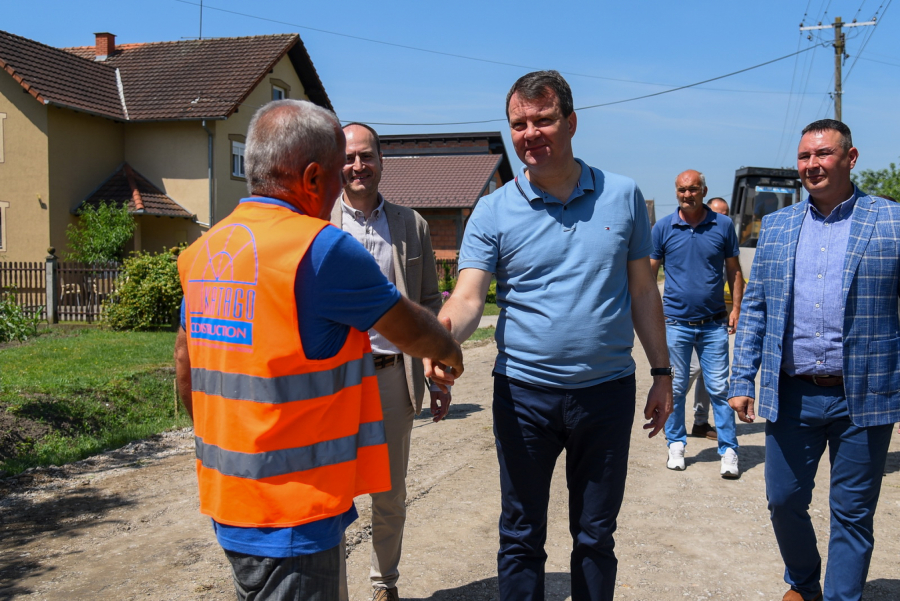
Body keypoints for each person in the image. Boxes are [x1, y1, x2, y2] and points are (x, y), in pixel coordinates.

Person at [173, 99, 463, 601]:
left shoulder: (205, 251)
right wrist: (451, 354)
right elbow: (408, 327)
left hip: (229, 499)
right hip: (294, 512)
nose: (338, 187)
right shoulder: (320, 248)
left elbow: (186, 369)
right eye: (334, 173)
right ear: (312, 178)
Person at [433, 70, 672, 601]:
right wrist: (440, 341)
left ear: (571, 122)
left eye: (542, 120)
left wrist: (662, 372)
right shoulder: (493, 209)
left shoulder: (623, 195)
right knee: (521, 533)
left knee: (596, 534)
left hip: (606, 393)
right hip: (523, 396)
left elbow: (642, 291)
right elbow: (468, 298)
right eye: (519, 124)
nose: (530, 134)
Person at [729, 119, 900, 601]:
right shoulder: (779, 225)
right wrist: (742, 378)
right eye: (804, 156)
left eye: (823, 154)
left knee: (852, 512)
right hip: (793, 394)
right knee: (783, 500)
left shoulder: (891, 221)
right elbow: (757, 306)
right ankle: (803, 584)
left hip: (864, 396)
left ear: (851, 157)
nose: (812, 164)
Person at [331, 122, 446, 601]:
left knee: (390, 492)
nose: (358, 165)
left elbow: (429, 303)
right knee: (332, 494)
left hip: (392, 377)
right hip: (332, 382)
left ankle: (384, 584)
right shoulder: (317, 222)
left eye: (367, 156)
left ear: (381, 161)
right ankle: (334, 591)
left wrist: (437, 374)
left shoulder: (410, 224)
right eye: (349, 157)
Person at [650, 171, 744, 477]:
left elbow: (734, 270)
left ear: (703, 190)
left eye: (692, 189)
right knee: (675, 388)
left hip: (714, 324)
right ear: (676, 191)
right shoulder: (663, 228)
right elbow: (648, 275)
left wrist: (737, 308)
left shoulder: (722, 225)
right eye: (682, 190)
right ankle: (676, 444)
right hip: (675, 323)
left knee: (719, 388)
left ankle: (728, 451)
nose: (687, 194)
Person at [685, 196, 732, 441]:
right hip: (689, 320)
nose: (721, 218)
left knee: (707, 373)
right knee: (690, 371)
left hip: (716, 319)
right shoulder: (696, 238)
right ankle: (667, 416)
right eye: (717, 213)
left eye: (725, 213)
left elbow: (733, 275)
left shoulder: (725, 239)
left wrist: (734, 310)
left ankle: (701, 422)